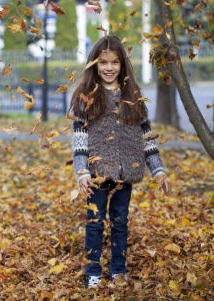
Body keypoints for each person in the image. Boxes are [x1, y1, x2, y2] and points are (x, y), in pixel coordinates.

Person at [69, 35, 169, 288]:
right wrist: (82, 172)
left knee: (120, 222)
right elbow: (79, 140)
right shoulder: (86, 96)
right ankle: (93, 271)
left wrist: (157, 169)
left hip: (126, 170)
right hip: (97, 173)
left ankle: (118, 270)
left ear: (123, 65)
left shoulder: (132, 95)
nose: (109, 67)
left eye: (114, 62)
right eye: (103, 62)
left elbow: (147, 138)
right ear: (94, 64)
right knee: (95, 223)